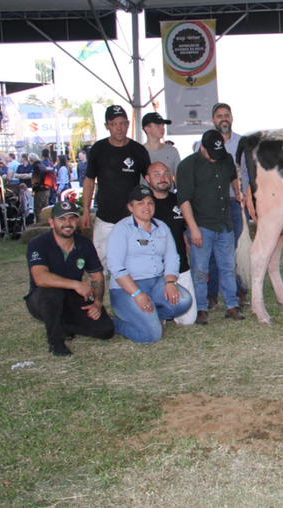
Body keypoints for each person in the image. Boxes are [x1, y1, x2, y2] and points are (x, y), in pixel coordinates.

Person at [24, 200, 115, 357]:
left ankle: (64, 324)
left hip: (72, 297)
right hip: (42, 297)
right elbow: (40, 278)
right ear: (51, 222)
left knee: (106, 330)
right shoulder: (38, 244)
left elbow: (97, 276)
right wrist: (76, 284)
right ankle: (56, 342)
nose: (67, 223)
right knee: (53, 294)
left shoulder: (84, 244)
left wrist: (97, 303)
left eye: (71, 218)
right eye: (61, 219)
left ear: (77, 221)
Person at [177, 129, 246, 324]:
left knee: (228, 266)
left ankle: (232, 305)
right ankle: (201, 308)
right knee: (200, 269)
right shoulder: (187, 166)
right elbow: (184, 200)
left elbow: (232, 176)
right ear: (202, 147)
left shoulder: (226, 159)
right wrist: (193, 228)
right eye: (212, 154)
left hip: (224, 223)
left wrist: (237, 192)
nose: (216, 158)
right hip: (201, 225)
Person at [107, 185, 192, 343]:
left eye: (150, 202)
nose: (146, 207)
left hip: (156, 283)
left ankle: (152, 317)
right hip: (127, 288)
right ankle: (114, 324)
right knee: (150, 335)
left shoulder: (162, 227)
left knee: (184, 300)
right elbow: (116, 267)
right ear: (130, 207)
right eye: (140, 203)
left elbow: (172, 257)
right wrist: (137, 294)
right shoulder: (121, 229)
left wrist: (170, 282)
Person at [80, 105, 152, 272]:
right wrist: (85, 211)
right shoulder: (98, 149)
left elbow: (150, 180)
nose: (118, 128)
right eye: (113, 124)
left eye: (122, 123)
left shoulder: (138, 150)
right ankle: (99, 291)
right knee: (98, 266)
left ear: (128, 124)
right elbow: (89, 180)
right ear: (107, 126)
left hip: (133, 219)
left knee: (134, 264)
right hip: (105, 218)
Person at [207, 103, 249, 309]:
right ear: (213, 120)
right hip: (212, 206)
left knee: (240, 248)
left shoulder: (243, 143)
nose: (223, 118)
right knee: (213, 250)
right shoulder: (203, 144)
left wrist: (248, 198)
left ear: (232, 118)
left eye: (226, 115)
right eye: (219, 116)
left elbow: (251, 173)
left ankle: (240, 292)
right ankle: (211, 294)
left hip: (237, 204)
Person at [145, 161, 196, 325]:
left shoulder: (180, 201)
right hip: (155, 272)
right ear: (147, 179)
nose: (162, 178)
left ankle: (167, 310)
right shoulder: (145, 205)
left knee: (188, 320)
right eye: (156, 175)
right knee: (153, 322)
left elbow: (185, 232)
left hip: (180, 267)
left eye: (166, 173)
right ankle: (159, 311)